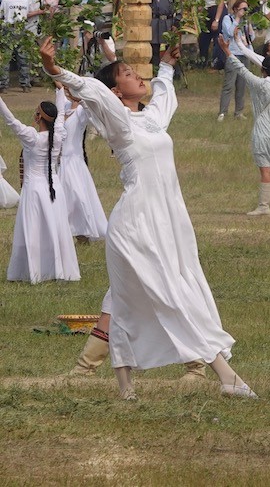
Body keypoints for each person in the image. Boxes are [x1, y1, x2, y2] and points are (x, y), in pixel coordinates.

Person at [39, 39, 256, 400]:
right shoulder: (118, 120)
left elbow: (165, 96)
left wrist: (167, 66)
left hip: (166, 220)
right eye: (127, 73)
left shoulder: (150, 119)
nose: (138, 76)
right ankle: (227, 376)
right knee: (172, 295)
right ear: (115, 90)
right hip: (136, 222)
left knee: (122, 302)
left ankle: (125, 389)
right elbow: (90, 89)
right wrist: (53, 68)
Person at [0, 94, 79, 283]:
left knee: (33, 228)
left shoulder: (32, 137)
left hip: (34, 189)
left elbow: (10, 120)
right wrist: (59, 92)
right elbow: (60, 117)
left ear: (38, 117)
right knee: (55, 226)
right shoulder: (58, 135)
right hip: (54, 188)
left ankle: (34, 270)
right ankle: (57, 268)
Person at [225, 53, 270, 216]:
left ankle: (264, 206)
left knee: (265, 170)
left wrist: (228, 52)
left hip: (263, 133)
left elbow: (242, 70)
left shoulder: (260, 84)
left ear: (262, 69)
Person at [55, 86, 106, 243]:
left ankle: (82, 231)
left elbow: (93, 114)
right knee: (60, 197)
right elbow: (59, 95)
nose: (69, 93)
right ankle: (62, 233)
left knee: (77, 196)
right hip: (58, 161)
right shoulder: (64, 106)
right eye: (67, 90)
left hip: (74, 161)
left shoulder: (82, 111)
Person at [216, 0, 252, 121]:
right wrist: (237, 18)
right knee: (229, 85)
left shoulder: (245, 22)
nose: (245, 11)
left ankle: (239, 112)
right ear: (236, 9)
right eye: (243, 9)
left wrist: (249, 25)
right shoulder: (228, 19)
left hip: (244, 54)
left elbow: (251, 37)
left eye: (246, 9)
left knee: (241, 85)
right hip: (232, 54)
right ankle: (222, 112)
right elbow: (230, 32)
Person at [0, 0, 31, 92]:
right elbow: (26, 14)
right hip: (22, 29)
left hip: (8, 29)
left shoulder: (6, 1)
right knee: (23, 58)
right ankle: (25, 84)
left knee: (6, 58)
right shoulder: (25, 1)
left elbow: (1, 15)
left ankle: (3, 85)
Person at [150, 0, 176, 69]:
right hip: (155, 21)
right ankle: (156, 69)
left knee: (169, 46)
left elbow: (178, 7)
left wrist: (175, 23)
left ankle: (172, 69)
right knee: (154, 46)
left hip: (168, 21)